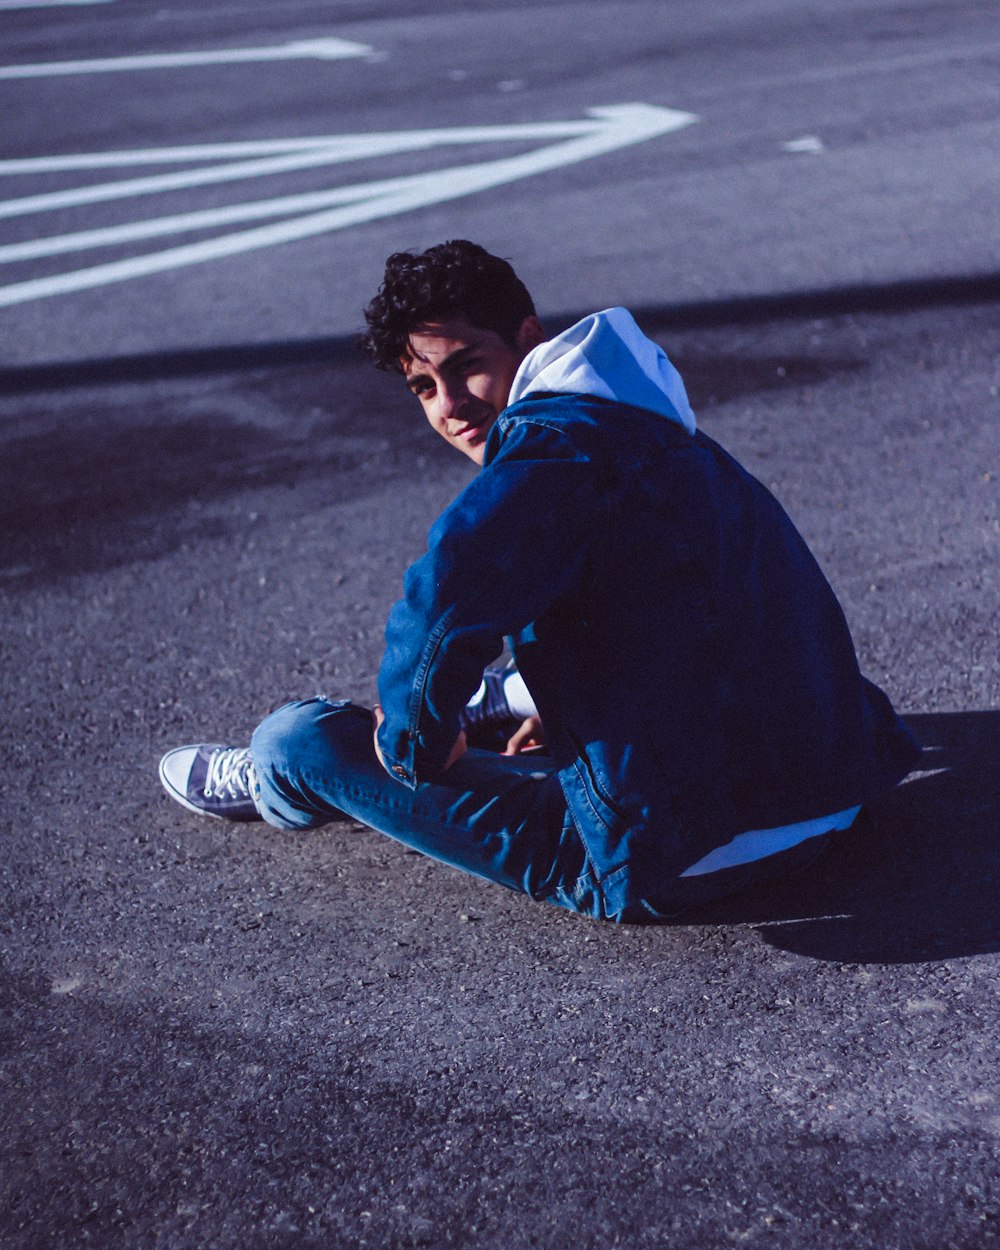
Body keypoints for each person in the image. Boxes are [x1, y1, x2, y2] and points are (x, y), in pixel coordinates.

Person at [159, 239, 920, 922]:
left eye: (464, 367)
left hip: (688, 855)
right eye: (423, 389)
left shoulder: (551, 453)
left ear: (528, 339)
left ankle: (280, 784)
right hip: (833, 792)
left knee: (301, 738)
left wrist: (421, 746)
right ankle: (519, 696)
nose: (451, 407)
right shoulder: (653, 426)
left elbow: (444, 596)